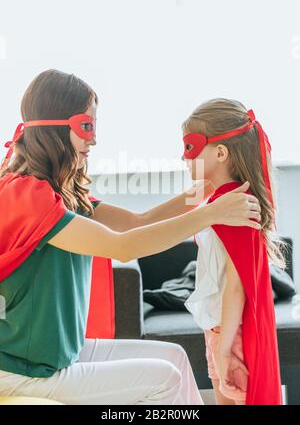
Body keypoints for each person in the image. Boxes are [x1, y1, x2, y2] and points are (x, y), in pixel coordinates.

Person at [0, 70, 261, 405]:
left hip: (51, 351)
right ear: (55, 127)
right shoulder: (25, 197)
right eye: (87, 127)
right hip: (23, 367)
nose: (94, 139)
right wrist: (211, 214)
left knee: (175, 358)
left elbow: (138, 222)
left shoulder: (59, 192)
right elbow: (121, 247)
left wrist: (208, 191)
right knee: (165, 379)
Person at [183, 98, 283, 405]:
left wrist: (225, 346)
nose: (184, 158)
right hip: (219, 328)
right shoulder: (217, 200)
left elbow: (236, 283)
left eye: (190, 148)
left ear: (221, 152)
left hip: (232, 331)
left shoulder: (234, 204)